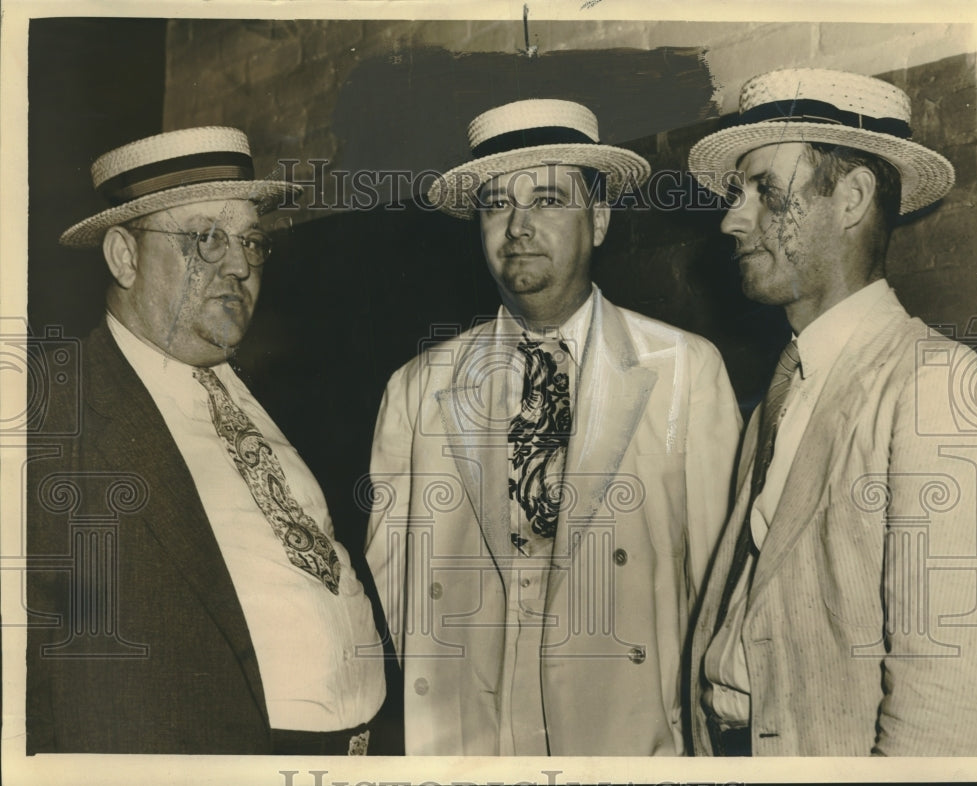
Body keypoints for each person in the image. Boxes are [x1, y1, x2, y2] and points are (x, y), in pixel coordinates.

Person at [364, 98, 742, 755]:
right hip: (473, 733)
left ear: (597, 220)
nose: (517, 227)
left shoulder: (685, 370)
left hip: (624, 731)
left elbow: (716, 583)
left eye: (546, 200)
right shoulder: (417, 388)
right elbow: (396, 574)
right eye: (496, 206)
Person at [26, 126, 393, 755]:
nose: (241, 264)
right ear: (125, 257)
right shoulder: (55, 414)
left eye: (251, 241)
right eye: (206, 239)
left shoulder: (267, 391)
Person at [686, 68, 977, 756]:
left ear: (851, 197)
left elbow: (946, 708)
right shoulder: (779, 394)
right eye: (739, 195)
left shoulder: (934, 384)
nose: (733, 220)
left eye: (765, 191)